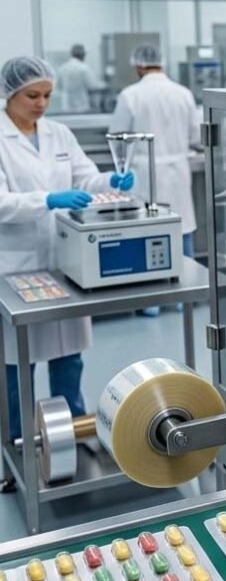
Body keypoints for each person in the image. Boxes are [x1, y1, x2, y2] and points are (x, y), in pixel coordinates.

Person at [0, 56, 134, 440]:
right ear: (11, 93)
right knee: (15, 364)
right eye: (32, 95)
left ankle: (70, 437)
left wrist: (112, 179)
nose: (41, 103)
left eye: (47, 95)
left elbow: (85, 176)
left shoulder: (58, 133)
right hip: (15, 264)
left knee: (68, 356)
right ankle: (17, 444)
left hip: (64, 261)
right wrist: (48, 199)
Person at [110, 43, 201, 316]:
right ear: (162, 63)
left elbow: (117, 137)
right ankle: (185, 296)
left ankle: (150, 304)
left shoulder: (130, 95)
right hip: (177, 168)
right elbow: (196, 137)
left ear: (138, 65)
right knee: (181, 229)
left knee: (146, 234)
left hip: (143, 172)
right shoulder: (183, 93)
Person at [55, 44, 100, 114]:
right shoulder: (84, 68)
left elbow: (59, 87)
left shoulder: (62, 68)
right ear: (83, 55)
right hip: (82, 106)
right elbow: (93, 87)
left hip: (66, 107)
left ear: (71, 54)